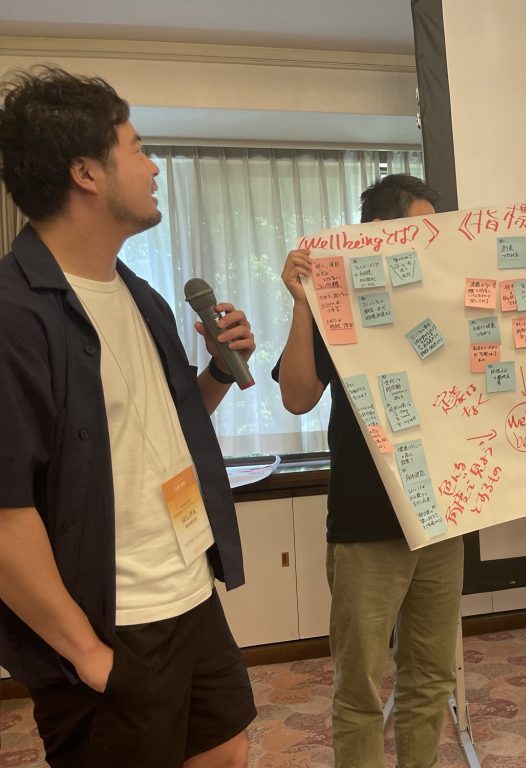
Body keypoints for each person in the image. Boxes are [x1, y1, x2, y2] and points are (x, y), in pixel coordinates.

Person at [0, 67, 257, 768]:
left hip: (187, 590)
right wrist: (86, 653)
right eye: (138, 148)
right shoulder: (14, 316)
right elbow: (5, 513)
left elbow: (162, 428)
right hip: (113, 622)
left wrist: (217, 375)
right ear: (85, 172)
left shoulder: (140, 294)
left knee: (227, 752)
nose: (154, 166)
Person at [273, 173, 463, 768]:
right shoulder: (341, 304)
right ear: (378, 233)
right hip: (365, 524)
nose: (427, 244)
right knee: (359, 686)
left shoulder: (446, 304)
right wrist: (302, 304)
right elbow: (297, 396)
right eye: (417, 230)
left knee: (431, 675)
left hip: (441, 517)